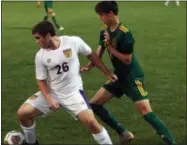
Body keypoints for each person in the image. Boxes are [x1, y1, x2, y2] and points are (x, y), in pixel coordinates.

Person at [81, 1, 176, 145]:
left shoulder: (124, 33)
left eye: (101, 15)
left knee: (146, 112)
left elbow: (127, 59)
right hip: (117, 76)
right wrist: (90, 66)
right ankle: (124, 133)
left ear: (111, 14)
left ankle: (171, 142)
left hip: (132, 76)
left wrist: (110, 48)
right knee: (94, 104)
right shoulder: (105, 30)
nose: (100, 18)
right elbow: (99, 51)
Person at [17, 21, 118, 145]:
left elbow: (91, 55)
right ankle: (31, 143)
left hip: (73, 93)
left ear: (48, 35)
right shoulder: (40, 55)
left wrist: (107, 73)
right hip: (52, 92)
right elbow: (41, 80)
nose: (37, 42)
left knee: (91, 123)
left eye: (38, 38)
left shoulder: (73, 41)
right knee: (23, 113)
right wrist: (49, 98)